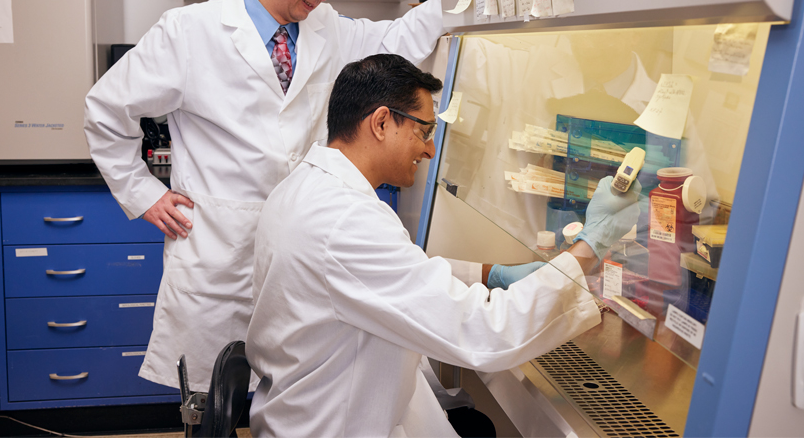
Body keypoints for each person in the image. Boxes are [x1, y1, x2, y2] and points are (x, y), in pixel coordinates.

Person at [83, 0, 445, 392]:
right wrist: (142, 193)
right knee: (214, 402)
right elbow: (106, 107)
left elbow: (395, 40)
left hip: (298, 245)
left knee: (286, 396)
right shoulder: (190, 31)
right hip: (218, 254)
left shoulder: (327, 30)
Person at [246, 54, 642, 437]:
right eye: (424, 131)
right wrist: (593, 242)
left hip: (308, 410)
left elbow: (382, 274)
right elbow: (484, 332)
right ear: (381, 122)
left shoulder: (306, 188)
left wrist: (491, 275)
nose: (430, 149)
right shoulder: (346, 219)